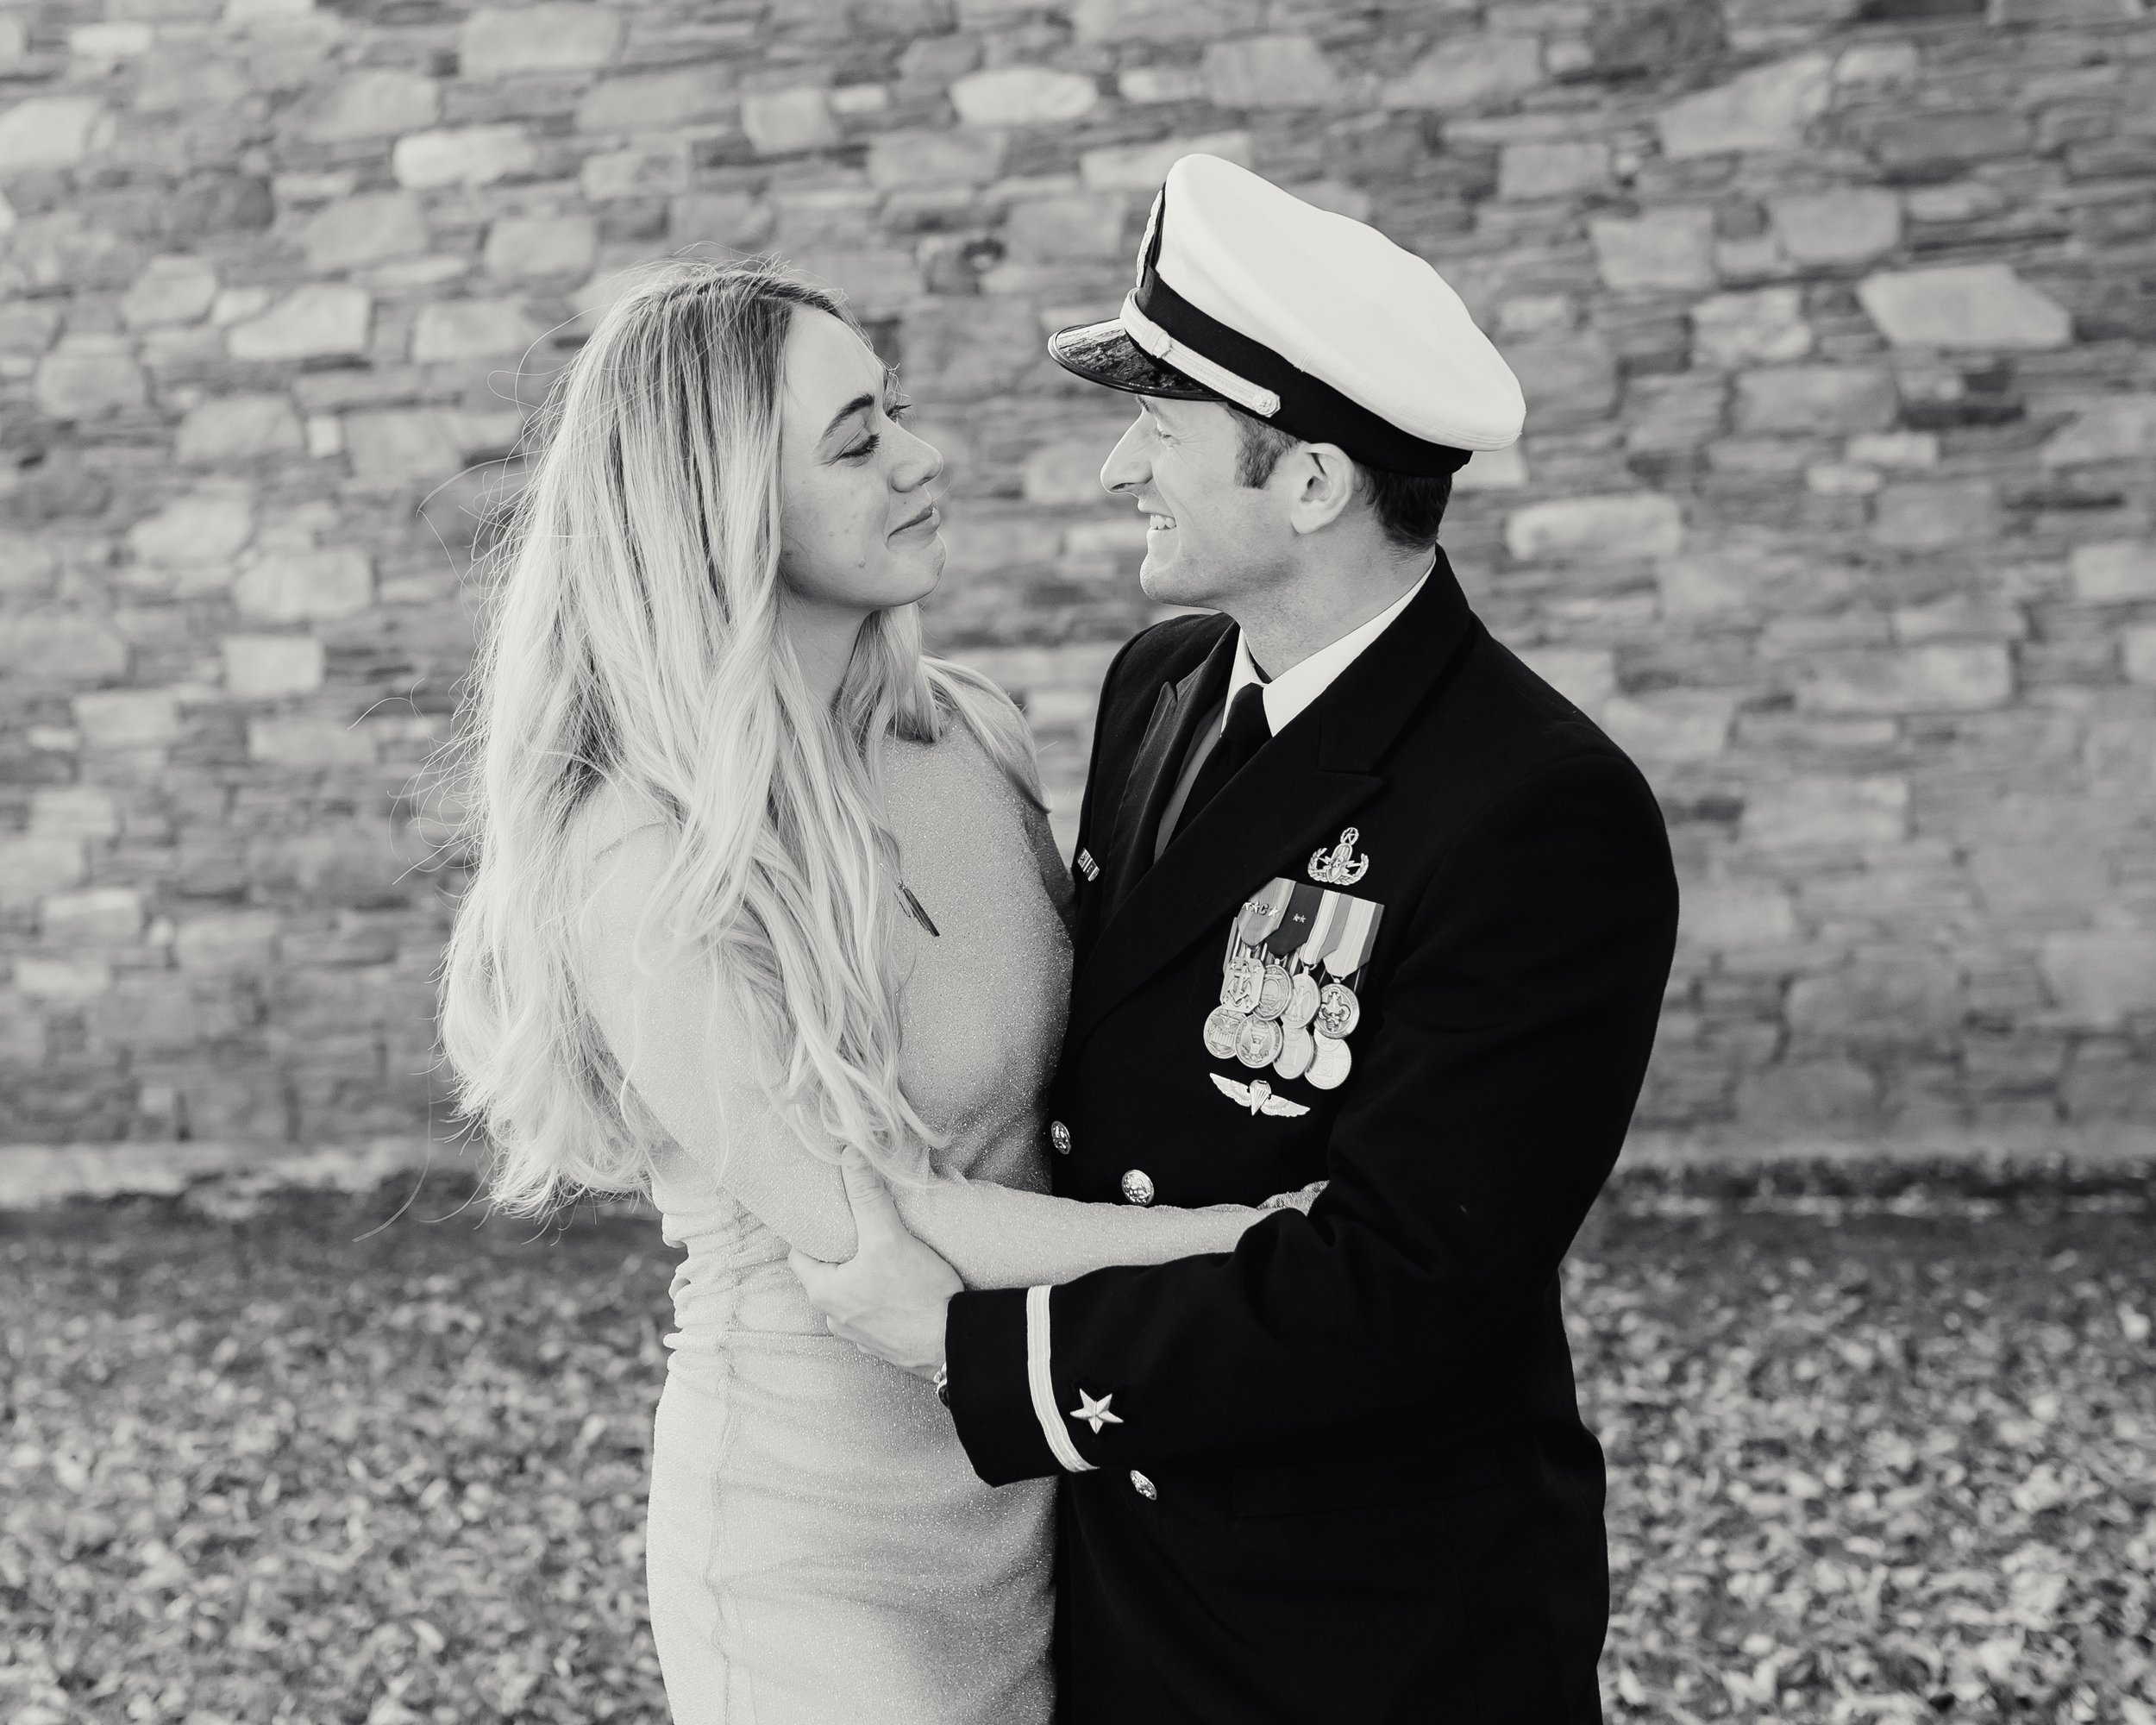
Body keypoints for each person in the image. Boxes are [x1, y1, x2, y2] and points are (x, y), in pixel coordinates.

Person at [793, 154, 1682, 1723]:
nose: (1117, 468)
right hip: (1124, 1584)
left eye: (1163, 425)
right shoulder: (1161, 685)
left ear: (1313, 483)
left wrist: (983, 1351)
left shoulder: (1539, 807)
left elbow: (1406, 1285)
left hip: (1366, 1623)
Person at [433, 258, 1321, 1725]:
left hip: (1049, 1485)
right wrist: (1256, 1244)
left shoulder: (962, 727)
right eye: (857, 442)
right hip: (818, 1542)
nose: (922, 456)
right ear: (722, 509)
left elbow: (1085, 1088)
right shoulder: (643, 848)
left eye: (893, 411)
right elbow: (879, 1226)